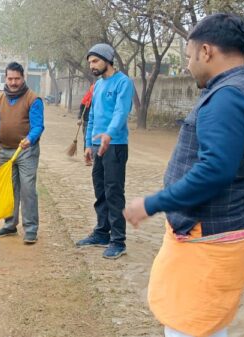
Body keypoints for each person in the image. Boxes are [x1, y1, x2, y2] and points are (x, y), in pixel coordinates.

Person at [123, 13, 244, 337]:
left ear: (206, 51)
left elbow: (214, 171)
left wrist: (152, 203)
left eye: (189, 56)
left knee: (188, 324)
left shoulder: (228, 97)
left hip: (208, 234)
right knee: (206, 323)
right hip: (230, 224)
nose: (188, 66)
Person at [74, 43, 135, 260]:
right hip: (98, 146)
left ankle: (118, 241)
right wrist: (89, 145)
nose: (92, 65)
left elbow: (121, 112)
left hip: (115, 145)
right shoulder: (98, 85)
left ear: (108, 60)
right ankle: (102, 232)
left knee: (114, 192)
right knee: (100, 190)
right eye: (90, 62)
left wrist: (109, 134)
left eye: (95, 61)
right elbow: (91, 116)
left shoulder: (123, 83)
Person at [0, 62, 45, 244]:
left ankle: (30, 229)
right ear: (5, 78)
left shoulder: (33, 99)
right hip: (5, 151)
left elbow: (38, 126)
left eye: (17, 79)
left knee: (28, 189)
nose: (13, 82)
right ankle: (10, 225)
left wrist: (30, 139)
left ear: (23, 78)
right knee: (9, 190)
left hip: (26, 151)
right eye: (10, 78)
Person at [79, 83, 95, 155]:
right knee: (87, 138)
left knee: (95, 139)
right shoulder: (87, 98)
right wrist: (80, 118)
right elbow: (81, 108)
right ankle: (87, 155)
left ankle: (93, 155)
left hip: (97, 123)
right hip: (86, 121)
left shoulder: (100, 99)